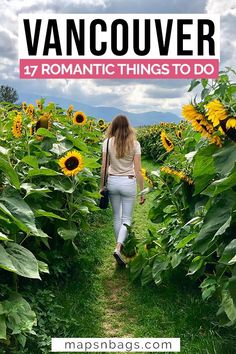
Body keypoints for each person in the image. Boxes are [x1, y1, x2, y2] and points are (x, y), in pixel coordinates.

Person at [100, 115, 145, 266]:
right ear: (128, 127)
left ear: (113, 126)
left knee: (116, 217)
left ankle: (118, 248)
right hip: (128, 182)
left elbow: (104, 167)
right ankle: (119, 247)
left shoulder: (107, 143)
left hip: (112, 181)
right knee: (126, 218)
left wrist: (102, 185)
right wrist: (142, 190)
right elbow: (138, 170)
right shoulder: (135, 144)